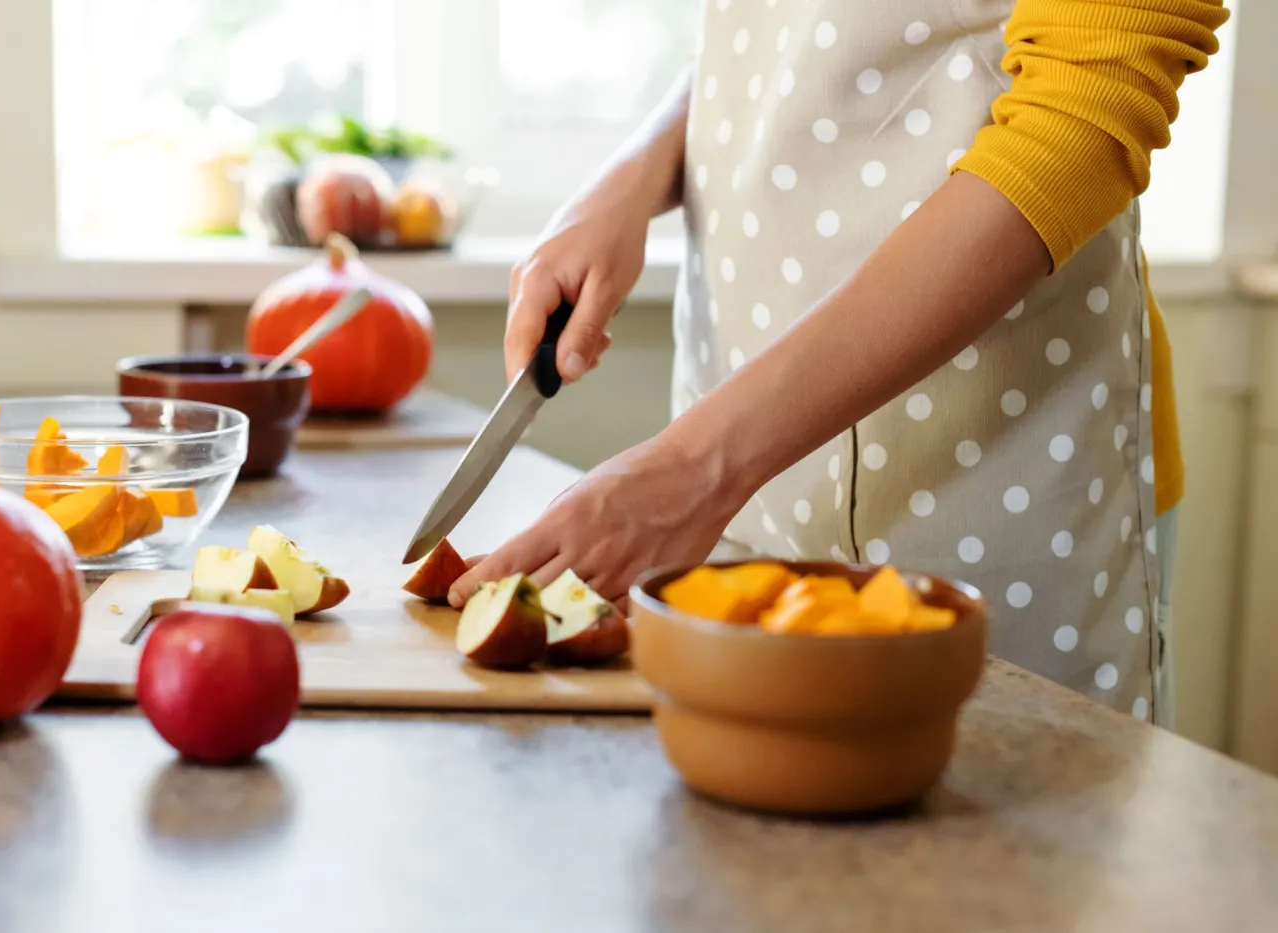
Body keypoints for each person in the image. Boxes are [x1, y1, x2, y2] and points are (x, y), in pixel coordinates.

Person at [449, 0, 1230, 726]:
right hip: (735, 489)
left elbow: (1087, 108)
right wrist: (635, 172)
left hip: (993, 486)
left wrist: (697, 465)